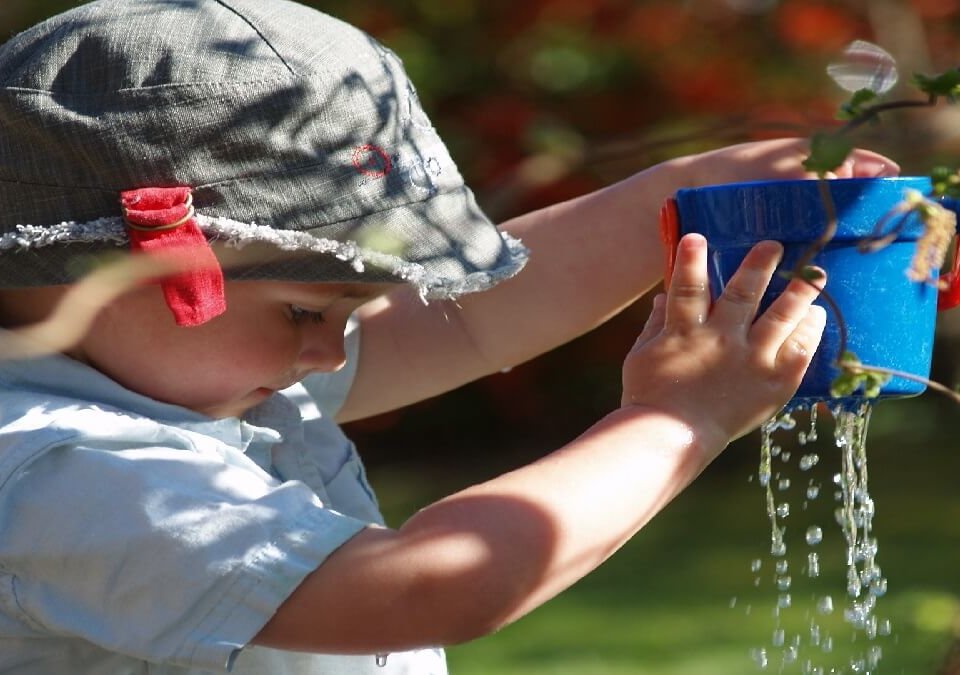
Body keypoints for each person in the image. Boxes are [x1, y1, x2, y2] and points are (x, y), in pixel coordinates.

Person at [0, 0, 898, 673]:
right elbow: (429, 584)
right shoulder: (62, 469)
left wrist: (680, 197)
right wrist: (678, 420)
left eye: (349, 315)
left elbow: (470, 319)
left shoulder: (186, 375)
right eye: (308, 311)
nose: (331, 352)